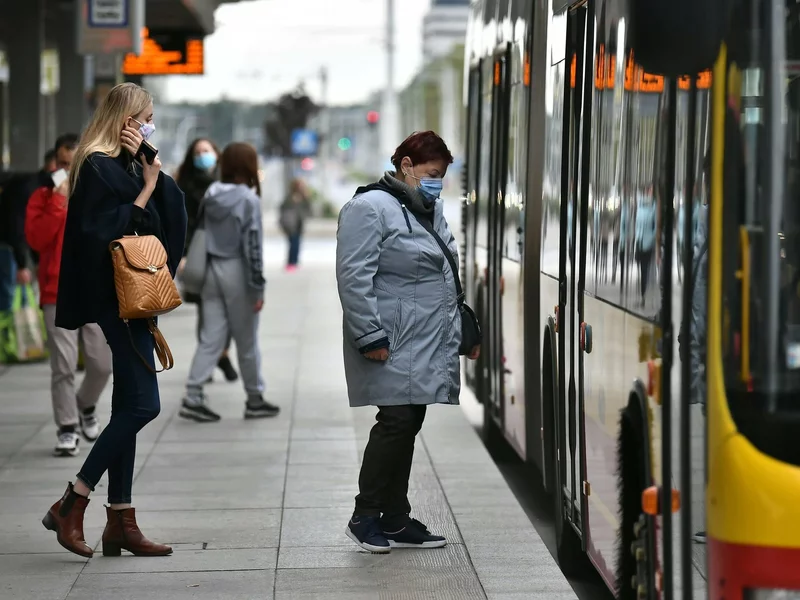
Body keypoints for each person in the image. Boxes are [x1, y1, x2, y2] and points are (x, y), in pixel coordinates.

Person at [42, 82, 187, 558]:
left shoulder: (127, 164)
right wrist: (145, 187)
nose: (150, 125)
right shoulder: (95, 165)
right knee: (145, 405)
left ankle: (121, 520)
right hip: (117, 299)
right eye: (146, 118)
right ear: (126, 121)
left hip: (136, 300)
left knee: (128, 403)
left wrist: (150, 168)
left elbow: (169, 217)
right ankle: (73, 499)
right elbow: (106, 231)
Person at [336, 130, 481, 553]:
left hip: (423, 338)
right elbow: (353, 276)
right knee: (397, 421)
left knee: (408, 421)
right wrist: (369, 335)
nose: (438, 183)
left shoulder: (427, 210)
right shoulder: (369, 208)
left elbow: (444, 275)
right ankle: (365, 516)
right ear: (406, 166)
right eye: (432, 174)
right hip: (391, 337)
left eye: (442, 177)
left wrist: (459, 334)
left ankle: (396, 518)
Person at [25, 133, 112, 457]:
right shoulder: (43, 198)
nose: (65, 170)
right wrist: (59, 201)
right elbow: (37, 240)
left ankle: (84, 404)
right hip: (55, 290)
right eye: (61, 164)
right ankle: (67, 427)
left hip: (93, 288)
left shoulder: (97, 194)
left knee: (101, 364)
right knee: (62, 365)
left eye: (72, 165)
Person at [179, 142, 279, 423]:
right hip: (238, 273)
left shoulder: (212, 193)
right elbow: (253, 247)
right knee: (246, 342)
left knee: (210, 338)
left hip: (211, 270)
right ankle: (255, 399)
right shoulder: (248, 199)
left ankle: (193, 395)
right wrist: (258, 287)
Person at [176, 138, 238, 383]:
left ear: (216, 153)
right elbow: (184, 223)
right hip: (200, 252)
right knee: (206, 310)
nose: (202, 155)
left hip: (228, 253)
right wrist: (183, 254)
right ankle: (211, 360)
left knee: (231, 309)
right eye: (198, 152)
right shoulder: (185, 185)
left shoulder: (229, 181)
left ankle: (221, 353)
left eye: (206, 150)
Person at [0, 150, 57, 311]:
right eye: (61, 164)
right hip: (8, 247)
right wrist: (22, 264)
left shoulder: (42, 187)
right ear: (50, 165)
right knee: (9, 298)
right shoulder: (31, 188)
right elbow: (18, 226)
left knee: (15, 297)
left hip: (14, 248)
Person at [279, 178, 311, 271]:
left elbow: (308, 208)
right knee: (293, 243)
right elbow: (283, 207)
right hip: (290, 224)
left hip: (299, 224)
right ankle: (291, 262)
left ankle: (294, 261)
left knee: (297, 243)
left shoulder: (304, 196)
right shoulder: (289, 196)